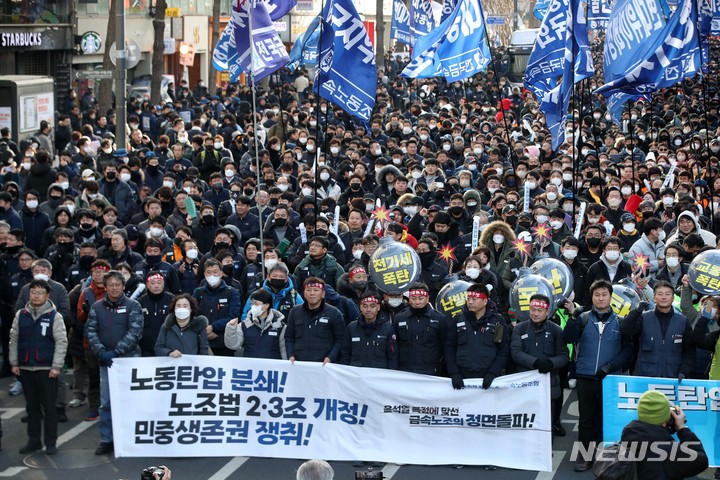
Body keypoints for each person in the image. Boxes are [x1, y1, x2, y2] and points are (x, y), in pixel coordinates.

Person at [563, 279, 633, 472]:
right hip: (586, 377)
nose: (600, 298)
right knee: (586, 420)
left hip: (610, 379)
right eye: (597, 295)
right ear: (592, 297)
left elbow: (627, 352)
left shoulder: (620, 321)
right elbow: (568, 338)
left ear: (611, 297)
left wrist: (610, 367)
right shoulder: (583, 318)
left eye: (604, 295)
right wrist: (571, 316)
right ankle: (584, 457)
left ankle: (604, 458)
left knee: (605, 420)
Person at [86, 270, 144, 456]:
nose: (114, 288)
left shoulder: (133, 305)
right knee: (106, 403)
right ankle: (107, 439)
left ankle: (131, 438)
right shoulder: (96, 306)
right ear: (105, 286)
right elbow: (91, 330)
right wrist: (101, 351)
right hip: (106, 361)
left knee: (132, 401)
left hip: (129, 360)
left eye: (117, 284)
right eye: (110, 284)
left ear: (123, 286)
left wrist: (117, 351)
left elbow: (135, 332)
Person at [9, 279, 67, 455]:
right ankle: (33, 441)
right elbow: (14, 340)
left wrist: (56, 366)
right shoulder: (21, 314)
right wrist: (14, 363)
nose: (36, 295)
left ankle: (51, 442)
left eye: (40, 292)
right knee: (31, 408)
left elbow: (61, 342)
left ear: (47, 295)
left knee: (49, 408)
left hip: (47, 369)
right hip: (26, 368)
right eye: (33, 292)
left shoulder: (55, 316)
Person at [510, 294, 569, 438]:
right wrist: (535, 362)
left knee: (546, 424)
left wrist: (551, 363)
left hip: (548, 384)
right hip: (525, 385)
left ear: (547, 312)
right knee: (525, 423)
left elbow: (564, 356)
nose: (535, 313)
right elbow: (515, 353)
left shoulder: (556, 330)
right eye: (532, 309)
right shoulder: (519, 328)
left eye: (539, 310)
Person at [619, 390, 708, 479]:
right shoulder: (669, 451)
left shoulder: (626, 441)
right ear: (667, 418)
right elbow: (701, 461)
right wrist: (682, 428)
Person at [622, 280, 695, 380]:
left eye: (667, 294)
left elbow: (689, 352)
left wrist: (684, 372)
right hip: (645, 377)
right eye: (660, 294)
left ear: (673, 298)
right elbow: (625, 331)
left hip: (673, 377)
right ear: (654, 298)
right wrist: (636, 311)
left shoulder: (683, 321)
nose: (664, 297)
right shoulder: (643, 318)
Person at [445, 283, 509, 390]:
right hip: (462, 375)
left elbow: (503, 350)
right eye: (468, 298)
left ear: (485, 301)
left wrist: (493, 373)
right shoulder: (458, 319)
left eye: (474, 299)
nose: (470, 302)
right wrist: (454, 372)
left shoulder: (497, 320)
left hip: (488, 376)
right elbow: (449, 348)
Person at [285, 277, 345, 364]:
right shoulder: (294, 312)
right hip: (299, 365)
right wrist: (290, 355)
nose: (312, 293)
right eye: (308, 290)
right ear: (304, 294)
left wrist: (330, 357)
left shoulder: (334, 313)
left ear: (323, 293)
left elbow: (340, 339)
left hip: (324, 366)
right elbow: (289, 337)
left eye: (316, 290)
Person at [392, 282, 447, 375]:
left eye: (421, 298)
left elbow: (444, 346)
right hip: (405, 370)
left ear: (427, 298)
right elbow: (395, 344)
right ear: (409, 299)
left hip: (430, 370)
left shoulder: (439, 318)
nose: (417, 302)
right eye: (413, 298)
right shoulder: (399, 317)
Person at [224, 289, 287, 359]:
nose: (253, 306)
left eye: (256, 304)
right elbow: (233, 345)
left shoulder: (279, 325)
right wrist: (231, 328)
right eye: (252, 304)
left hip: (273, 367)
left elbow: (284, 350)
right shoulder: (245, 325)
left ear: (266, 305)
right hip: (251, 367)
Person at [341, 292, 398, 369]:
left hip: (379, 374)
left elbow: (392, 356)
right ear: (360, 307)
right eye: (365, 306)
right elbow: (345, 355)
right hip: (357, 375)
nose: (368, 310)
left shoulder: (388, 328)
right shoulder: (351, 328)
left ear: (378, 307)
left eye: (372, 306)